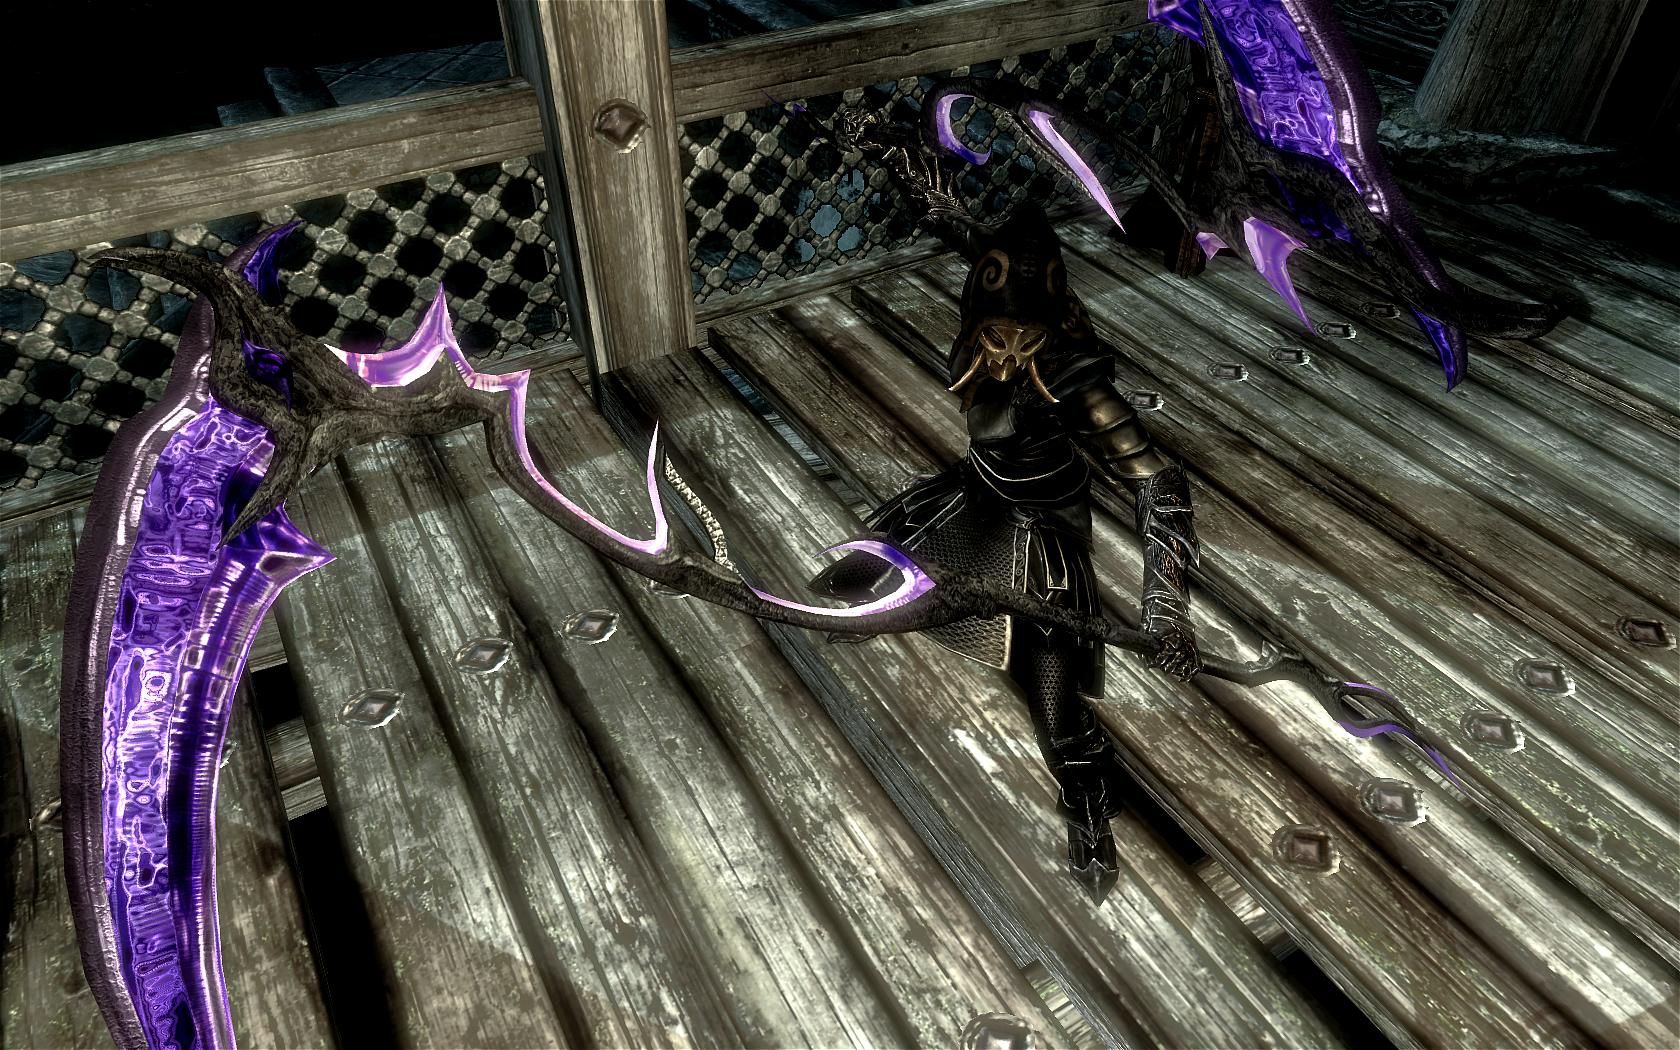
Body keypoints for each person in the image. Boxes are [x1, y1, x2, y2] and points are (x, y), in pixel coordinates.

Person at [810, 114, 1202, 899]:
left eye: (1018, 332)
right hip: (975, 490)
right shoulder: (989, 305)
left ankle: (1087, 801)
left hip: (1045, 535)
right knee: (852, 588)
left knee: (1055, 707)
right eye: (995, 325)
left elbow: (1158, 485)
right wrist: (887, 147)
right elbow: (952, 217)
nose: (1001, 347)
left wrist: (1166, 607)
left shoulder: (1074, 375)